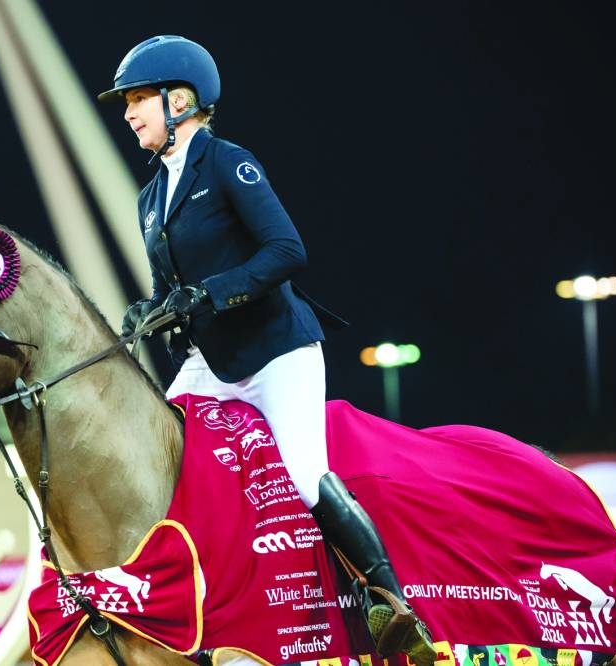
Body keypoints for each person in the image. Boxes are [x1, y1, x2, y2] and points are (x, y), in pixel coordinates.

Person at [98, 35, 436, 665]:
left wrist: (208, 293)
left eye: (137, 99)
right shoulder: (149, 199)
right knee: (155, 461)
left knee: (306, 472)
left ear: (180, 101)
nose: (127, 113)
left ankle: (390, 601)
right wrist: (153, 309)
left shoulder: (229, 163)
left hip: (278, 353)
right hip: (210, 363)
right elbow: (171, 289)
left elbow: (286, 250)